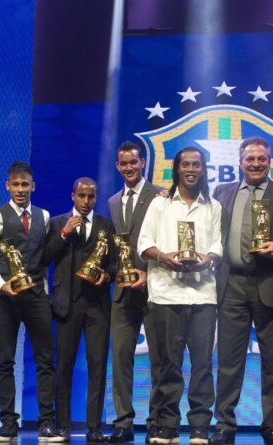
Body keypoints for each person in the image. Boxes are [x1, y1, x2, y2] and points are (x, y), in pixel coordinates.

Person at [210, 137, 273, 445]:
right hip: (232, 285)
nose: (255, 164)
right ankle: (224, 426)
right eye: (250, 159)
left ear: (270, 162)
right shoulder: (222, 193)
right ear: (239, 162)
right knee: (228, 360)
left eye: (261, 159)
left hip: (271, 282)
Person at [138, 147, 222, 445]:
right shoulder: (160, 205)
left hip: (202, 296)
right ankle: (167, 426)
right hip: (165, 294)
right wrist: (163, 257)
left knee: (202, 365)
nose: (190, 169)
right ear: (176, 169)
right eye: (185, 164)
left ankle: (200, 426)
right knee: (167, 365)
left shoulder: (213, 206)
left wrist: (206, 258)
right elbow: (143, 243)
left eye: (196, 164)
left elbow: (218, 246)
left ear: (203, 169)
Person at [0, 161, 61, 442]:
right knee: (5, 360)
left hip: (37, 295)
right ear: (7, 186)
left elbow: (43, 260)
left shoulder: (45, 216)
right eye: (15, 185)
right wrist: (2, 286)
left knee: (44, 360)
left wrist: (47, 293)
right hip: (6, 298)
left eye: (24, 184)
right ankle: (7, 422)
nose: (20, 190)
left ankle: (46, 422)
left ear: (33, 186)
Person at [43, 177, 115, 443]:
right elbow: (44, 258)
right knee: (64, 366)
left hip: (97, 305)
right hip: (66, 304)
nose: (86, 202)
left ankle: (94, 427)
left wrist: (106, 276)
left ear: (96, 198)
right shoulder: (57, 223)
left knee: (97, 366)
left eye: (91, 197)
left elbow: (116, 264)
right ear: (72, 195)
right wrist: (63, 234)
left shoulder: (106, 226)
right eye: (82, 196)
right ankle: (62, 425)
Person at [106, 141, 165, 443]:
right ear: (118, 166)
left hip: (154, 290)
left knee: (158, 359)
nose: (128, 167)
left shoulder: (160, 195)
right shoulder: (113, 201)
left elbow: (166, 243)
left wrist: (149, 272)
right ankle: (123, 422)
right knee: (120, 358)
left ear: (142, 162)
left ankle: (155, 421)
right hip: (122, 292)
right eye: (123, 163)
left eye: (133, 162)